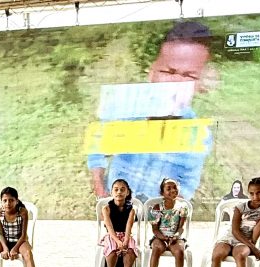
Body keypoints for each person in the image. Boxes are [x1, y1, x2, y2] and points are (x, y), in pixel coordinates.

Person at [88, 21, 213, 201]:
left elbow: (187, 184)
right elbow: (97, 149)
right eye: (169, 72)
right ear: (152, 72)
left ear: (199, 84)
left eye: (189, 76)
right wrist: (102, 194)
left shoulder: (199, 134)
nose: (176, 83)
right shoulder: (125, 110)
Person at [148, 177, 192, 267]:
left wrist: (176, 236)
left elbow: (181, 228)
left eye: (175, 188)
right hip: (160, 236)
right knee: (156, 248)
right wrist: (164, 237)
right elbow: (155, 229)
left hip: (175, 237)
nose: (172, 190)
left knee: (179, 251)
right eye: (168, 188)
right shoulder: (157, 207)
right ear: (162, 192)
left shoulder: (182, 207)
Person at [99, 178, 139, 267]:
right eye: (116, 189)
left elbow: (129, 226)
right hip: (112, 235)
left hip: (126, 235)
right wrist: (117, 241)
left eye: (122, 189)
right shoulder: (106, 208)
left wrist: (125, 241)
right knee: (112, 248)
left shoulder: (131, 209)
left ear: (127, 192)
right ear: (111, 192)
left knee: (131, 249)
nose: (119, 192)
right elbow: (109, 227)